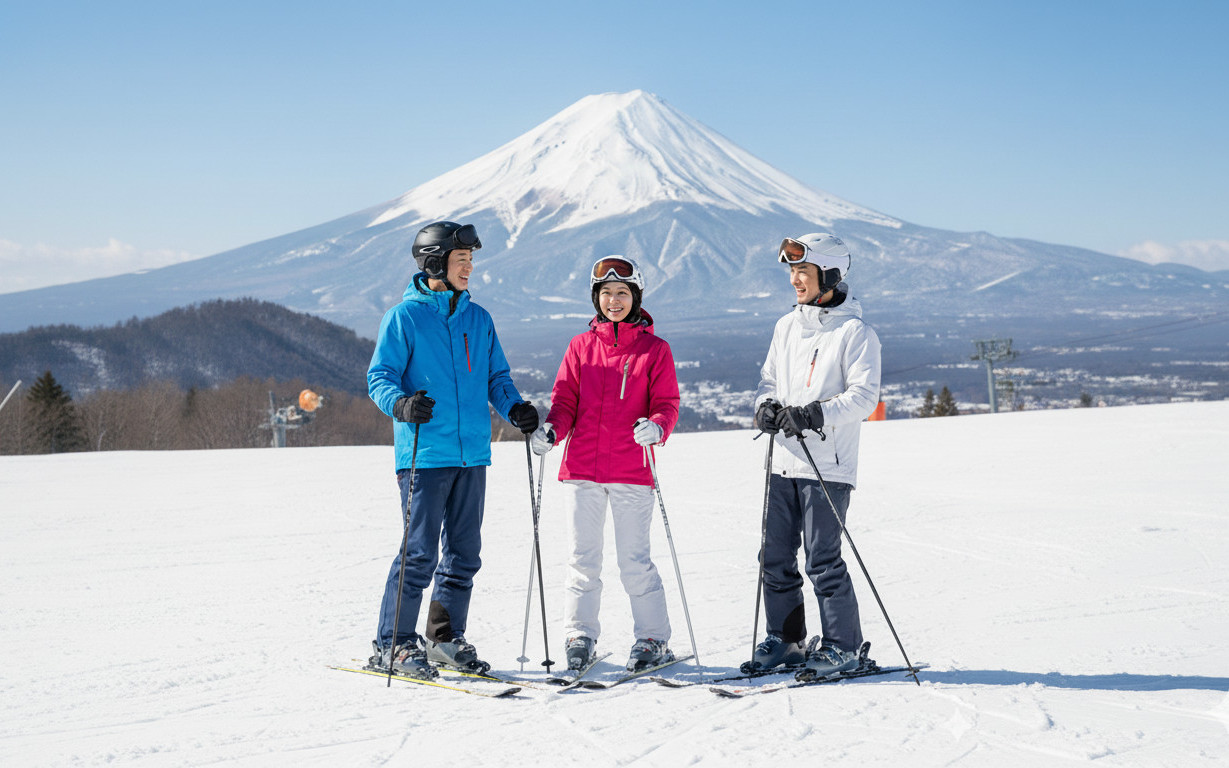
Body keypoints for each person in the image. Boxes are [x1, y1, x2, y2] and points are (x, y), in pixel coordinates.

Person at [366, 221, 539, 679]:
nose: (469, 269)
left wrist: (514, 408)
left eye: (471, 262)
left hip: (472, 456)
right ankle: (395, 644)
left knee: (464, 553)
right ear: (435, 262)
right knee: (419, 553)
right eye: (462, 261)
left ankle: (443, 637)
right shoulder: (403, 318)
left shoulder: (478, 318)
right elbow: (379, 377)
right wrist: (401, 404)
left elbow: (496, 378)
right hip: (424, 456)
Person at [529, 256, 681, 672]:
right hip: (581, 471)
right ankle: (580, 635)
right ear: (596, 300)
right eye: (607, 294)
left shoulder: (655, 350)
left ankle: (652, 639)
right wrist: (551, 432)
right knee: (582, 558)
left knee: (634, 561)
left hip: (632, 471)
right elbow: (564, 403)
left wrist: (658, 427)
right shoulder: (580, 347)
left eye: (623, 293)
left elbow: (667, 404)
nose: (615, 300)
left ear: (636, 298)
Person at [749, 232, 882, 677]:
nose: (794, 280)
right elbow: (768, 380)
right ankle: (786, 640)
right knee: (774, 557)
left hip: (828, 465)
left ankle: (843, 646)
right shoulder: (786, 327)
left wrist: (814, 414)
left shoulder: (855, 333)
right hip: (783, 461)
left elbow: (864, 398)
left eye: (802, 271)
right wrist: (765, 407)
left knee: (822, 560)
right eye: (791, 271)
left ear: (828, 275)